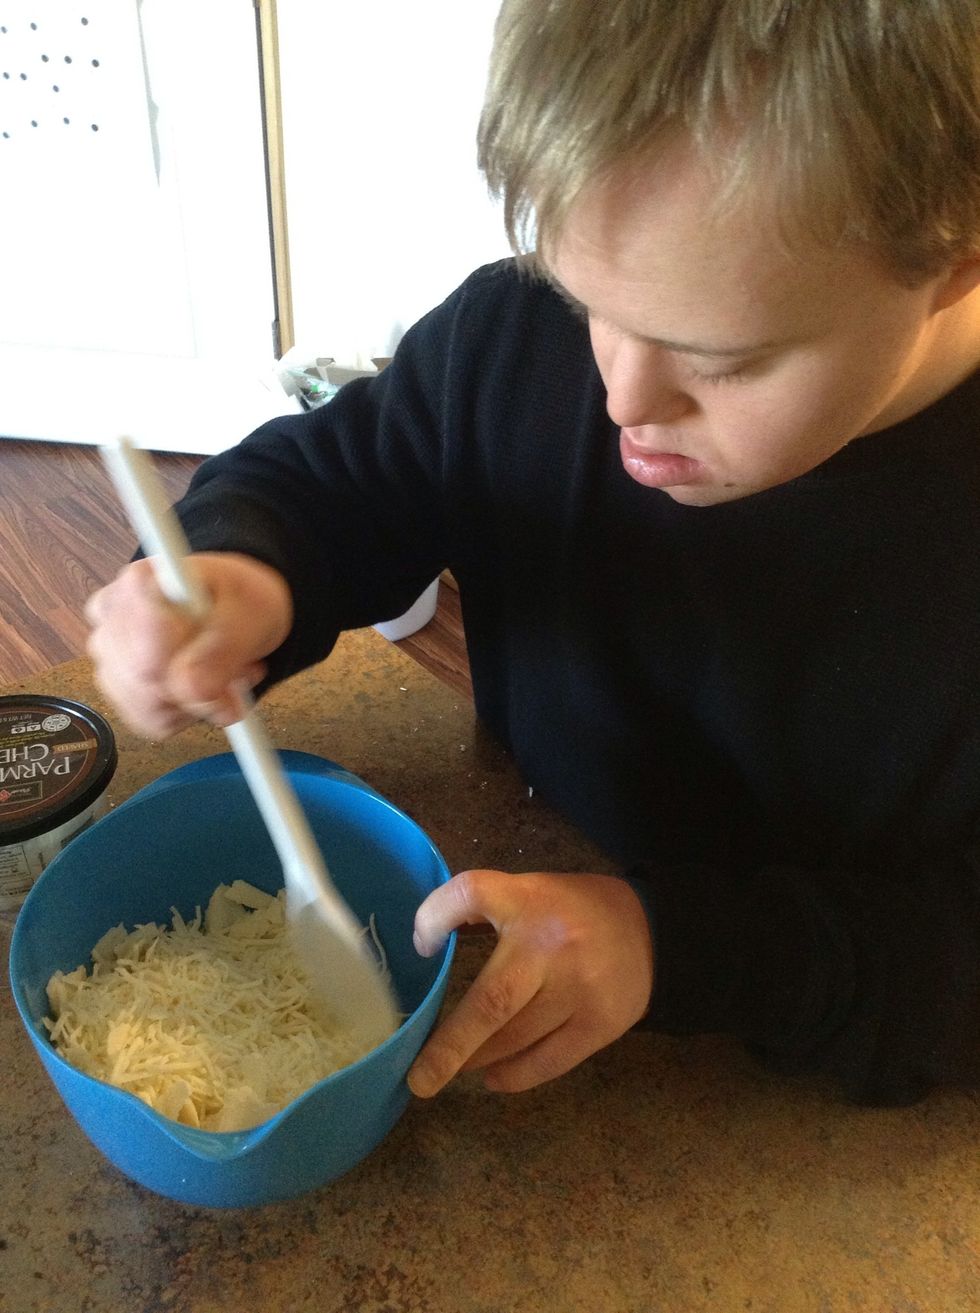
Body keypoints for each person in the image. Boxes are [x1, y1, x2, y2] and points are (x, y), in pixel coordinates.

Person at [85, 0, 980, 1108]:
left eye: (724, 361)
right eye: (586, 298)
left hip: (821, 1047)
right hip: (535, 830)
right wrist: (239, 569)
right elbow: (338, 478)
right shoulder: (517, 340)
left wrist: (672, 949)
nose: (621, 397)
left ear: (952, 257)